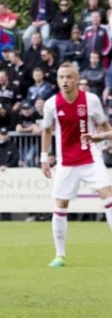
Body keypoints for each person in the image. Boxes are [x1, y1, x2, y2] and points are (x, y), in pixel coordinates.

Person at [40, 63, 112, 268]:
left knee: (108, 195)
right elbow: (46, 130)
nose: (64, 81)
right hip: (66, 162)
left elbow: (105, 125)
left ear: (77, 79)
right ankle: (60, 255)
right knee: (61, 205)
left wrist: (104, 139)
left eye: (69, 77)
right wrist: (44, 158)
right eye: (61, 77)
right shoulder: (51, 103)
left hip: (90, 157)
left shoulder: (91, 100)